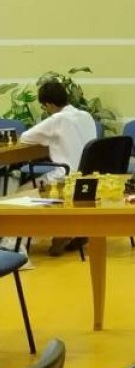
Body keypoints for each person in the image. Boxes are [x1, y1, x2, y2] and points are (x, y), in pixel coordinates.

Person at [18, 80, 98, 256]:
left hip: (64, 178)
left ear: (49, 104)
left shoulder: (58, 119)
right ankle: (74, 229)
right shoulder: (86, 116)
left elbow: (25, 137)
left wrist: (48, 138)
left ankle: (56, 232)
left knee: (22, 192)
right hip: (89, 179)